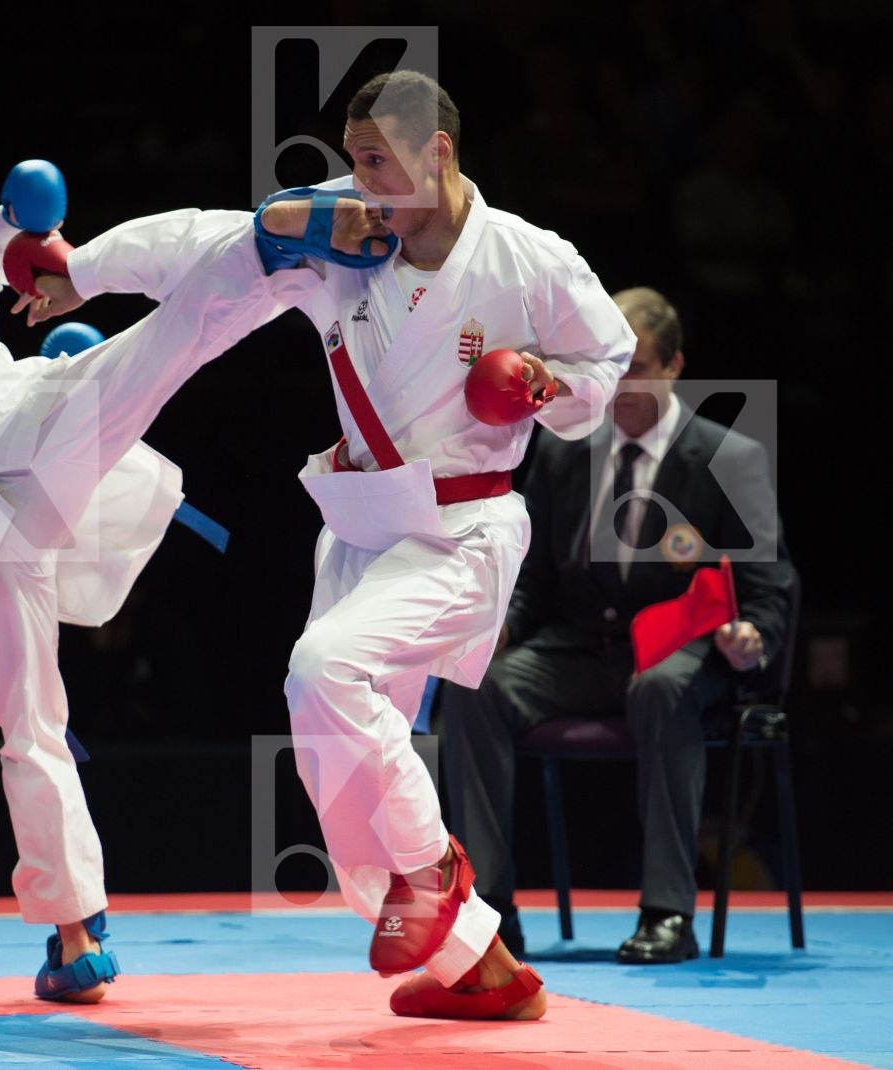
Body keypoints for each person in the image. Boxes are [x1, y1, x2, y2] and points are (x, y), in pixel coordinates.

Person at [0, 163, 336, 1003]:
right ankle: (277, 251)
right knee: (165, 347)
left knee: (32, 726)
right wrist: (12, 220)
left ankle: (73, 934)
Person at [268, 71, 636, 1020]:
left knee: (323, 670)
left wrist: (543, 382)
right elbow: (230, 239)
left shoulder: (527, 257)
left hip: (458, 529)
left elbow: (608, 358)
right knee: (333, 773)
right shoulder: (348, 238)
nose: (361, 180)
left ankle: (435, 866)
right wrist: (91, 273)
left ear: (439, 151)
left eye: (377, 161)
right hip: (357, 531)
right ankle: (482, 966)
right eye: (352, 161)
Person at [441, 287, 796, 963]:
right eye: (610, 369)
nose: (621, 387)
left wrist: (753, 635)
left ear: (675, 367)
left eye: (637, 370)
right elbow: (532, 580)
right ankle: (489, 912)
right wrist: (499, 631)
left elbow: (769, 587)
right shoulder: (565, 450)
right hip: (577, 651)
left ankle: (667, 913)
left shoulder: (731, 457)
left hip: (679, 656)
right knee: (473, 682)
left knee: (659, 689)